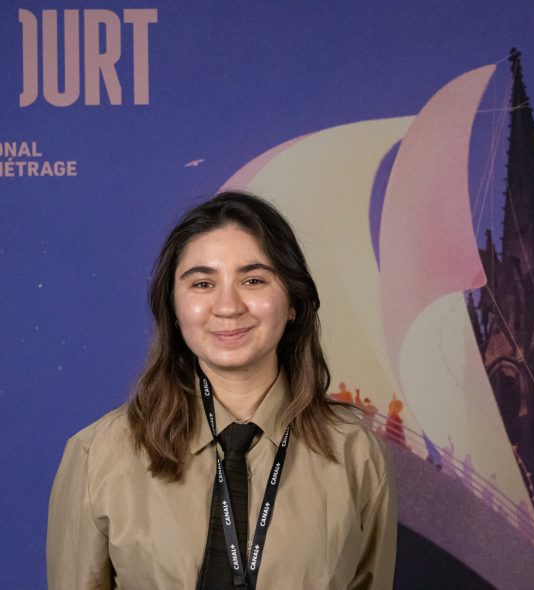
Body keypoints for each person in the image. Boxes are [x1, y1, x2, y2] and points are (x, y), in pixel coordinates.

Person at [47, 191, 397, 589]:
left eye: (253, 280)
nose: (228, 306)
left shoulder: (357, 455)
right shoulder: (98, 455)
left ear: (293, 301)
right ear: (173, 307)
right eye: (202, 283)